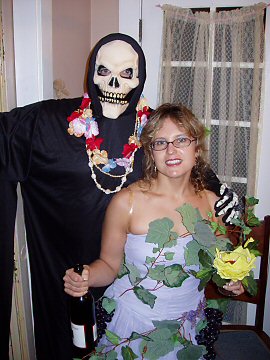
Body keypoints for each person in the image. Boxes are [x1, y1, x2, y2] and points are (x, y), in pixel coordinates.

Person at [0, 33, 238, 359]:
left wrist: (223, 193)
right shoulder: (53, 126)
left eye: (126, 73)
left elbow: (191, 171)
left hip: (181, 314)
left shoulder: (155, 130)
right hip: (109, 291)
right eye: (104, 71)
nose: (113, 82)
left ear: (139, 80)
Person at [64, 103, 244, 359]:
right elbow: (108, 265)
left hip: (187, 327)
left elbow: (219, 269)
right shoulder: (127, 202)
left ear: (197, 148)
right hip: (132, 326)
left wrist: (229, 283)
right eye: (160, 142)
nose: (171, 149)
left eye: (181, 139)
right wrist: (87, 276)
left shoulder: (213, 205)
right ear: (151, 152)